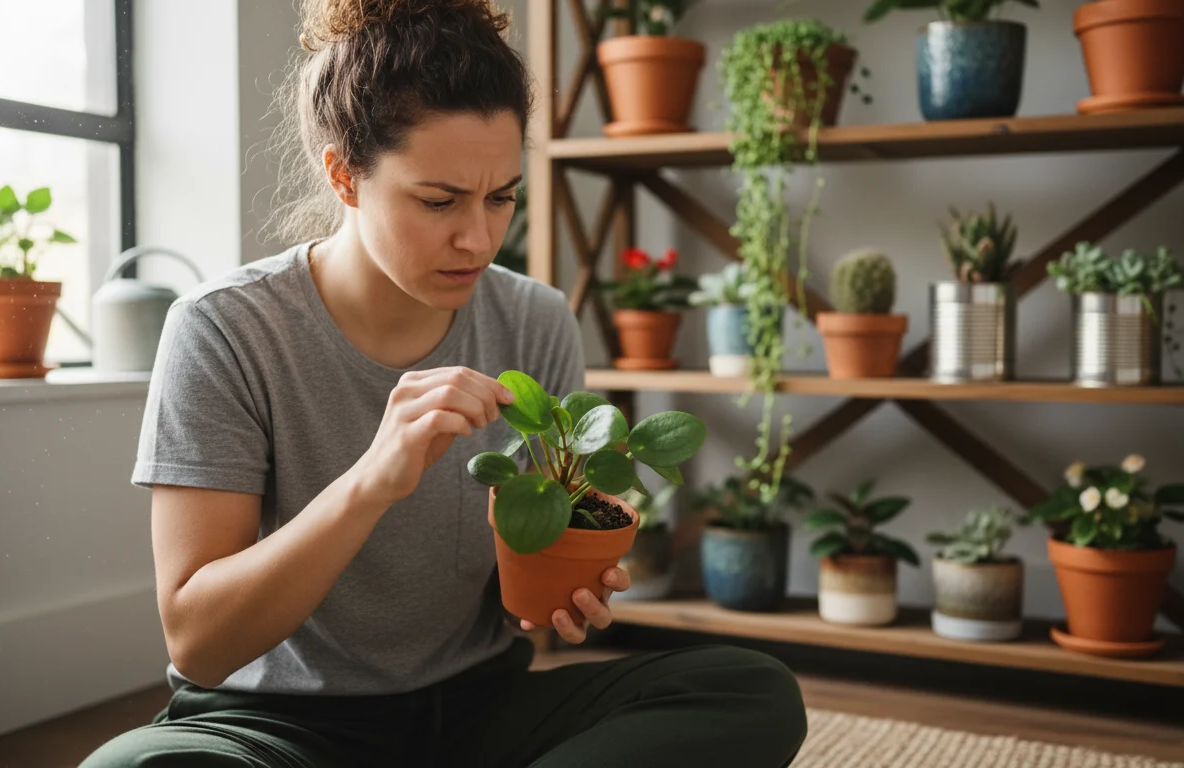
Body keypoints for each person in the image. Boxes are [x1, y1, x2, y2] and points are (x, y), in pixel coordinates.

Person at [81, 1, 807, 765]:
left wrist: (557, 588)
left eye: (502, 197)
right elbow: (198, 643)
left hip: (476, 711)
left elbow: (520, 582)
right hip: (276, 725)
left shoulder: (534, 319)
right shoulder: (226, 328)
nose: (480, 238)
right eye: (439, 201)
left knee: (750, 688)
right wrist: (371, 482)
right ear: (344, 175)